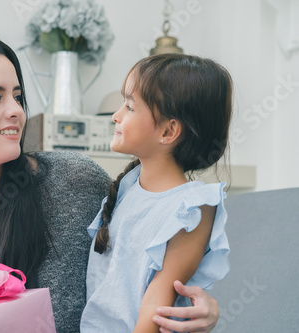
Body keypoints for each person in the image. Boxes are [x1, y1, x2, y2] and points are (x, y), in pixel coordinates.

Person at [0, 37, 221, 333]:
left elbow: (150, 264)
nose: (15, 111)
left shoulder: (76, 181)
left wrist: (202, 312)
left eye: (18, 97)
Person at [80, 53, 232, 332]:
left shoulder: (193, 207)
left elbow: (155, 307)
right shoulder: (127, 188)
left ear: (168, 130)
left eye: (129, 106)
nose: (116, 115)